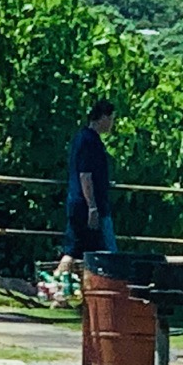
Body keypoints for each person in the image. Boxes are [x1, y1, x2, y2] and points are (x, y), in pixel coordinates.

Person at [57, 99, 115, 273]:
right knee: (75, 250)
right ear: (103, 117)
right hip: (85, 206)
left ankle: (63, 288)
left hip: (84, 203)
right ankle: (57, 284)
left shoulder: (84, 138)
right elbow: (85, 175)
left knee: (85, 249)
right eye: (111, 118)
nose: (112, 123)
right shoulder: (88, 141)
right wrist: (92, 207)